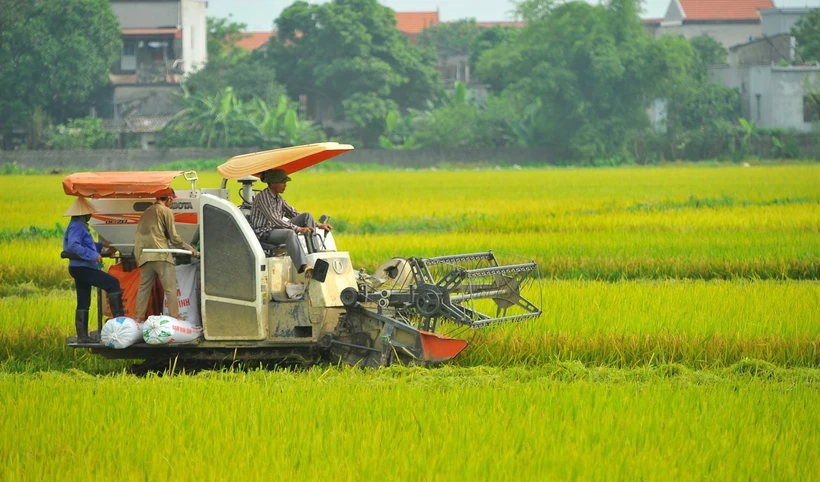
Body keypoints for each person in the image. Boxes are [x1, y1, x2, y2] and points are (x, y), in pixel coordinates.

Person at [249, 169, 332, 279]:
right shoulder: (263, 197)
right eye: (283, 182)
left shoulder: (278, 198)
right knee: (289, 233)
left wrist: (318, 225)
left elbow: (293, 213)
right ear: (273, 183)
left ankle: (315, 252)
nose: (285, 185)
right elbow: (275, 220)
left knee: (307, 215)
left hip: (276, 229)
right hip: (265, 233)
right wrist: (298, 229)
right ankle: (305, 266)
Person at [62, 196, 125, 342]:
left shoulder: (79, 226)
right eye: (88, 213)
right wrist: (93, 255)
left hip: (79, 268)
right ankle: (120, 326)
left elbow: (86, 244)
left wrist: (102, 246)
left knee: (83, 301)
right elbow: (74, 246)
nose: (90, 215)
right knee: (113, 284)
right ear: (83, 214)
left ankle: (83, 336)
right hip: (83, 267)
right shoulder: (77, 226)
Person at [133, 189, 198, 322]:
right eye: (171, 201)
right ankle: (175, 316)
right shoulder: (166, 211)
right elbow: (173, 238)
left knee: (144, 289)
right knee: (170, 288)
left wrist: (138, 256)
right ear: (168, 199)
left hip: (144, 256)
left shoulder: (145, 213)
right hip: (161, 255)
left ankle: (138, 318)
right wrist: (189, 248)